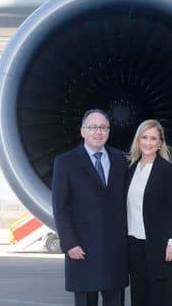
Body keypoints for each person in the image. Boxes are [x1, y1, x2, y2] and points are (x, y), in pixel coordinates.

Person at [51, 109, 128, 306]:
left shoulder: (121, 159)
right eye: (92, 127)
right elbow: (60, 207)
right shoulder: (65, 162)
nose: (98, 132)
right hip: (82, 248)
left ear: (109, 132)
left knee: (115, 301)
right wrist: (69, 243)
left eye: (103, 127)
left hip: (115, 250)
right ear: (82, 131)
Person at [126, 119, 172, 306]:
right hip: (135, 245)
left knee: (161, 297)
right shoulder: (131, 169)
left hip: (161, 247)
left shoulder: (168, 170)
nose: (148, 142)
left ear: (160, 143)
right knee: (139, 297)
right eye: (144, 137)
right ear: (138, 140)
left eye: (153, 138)